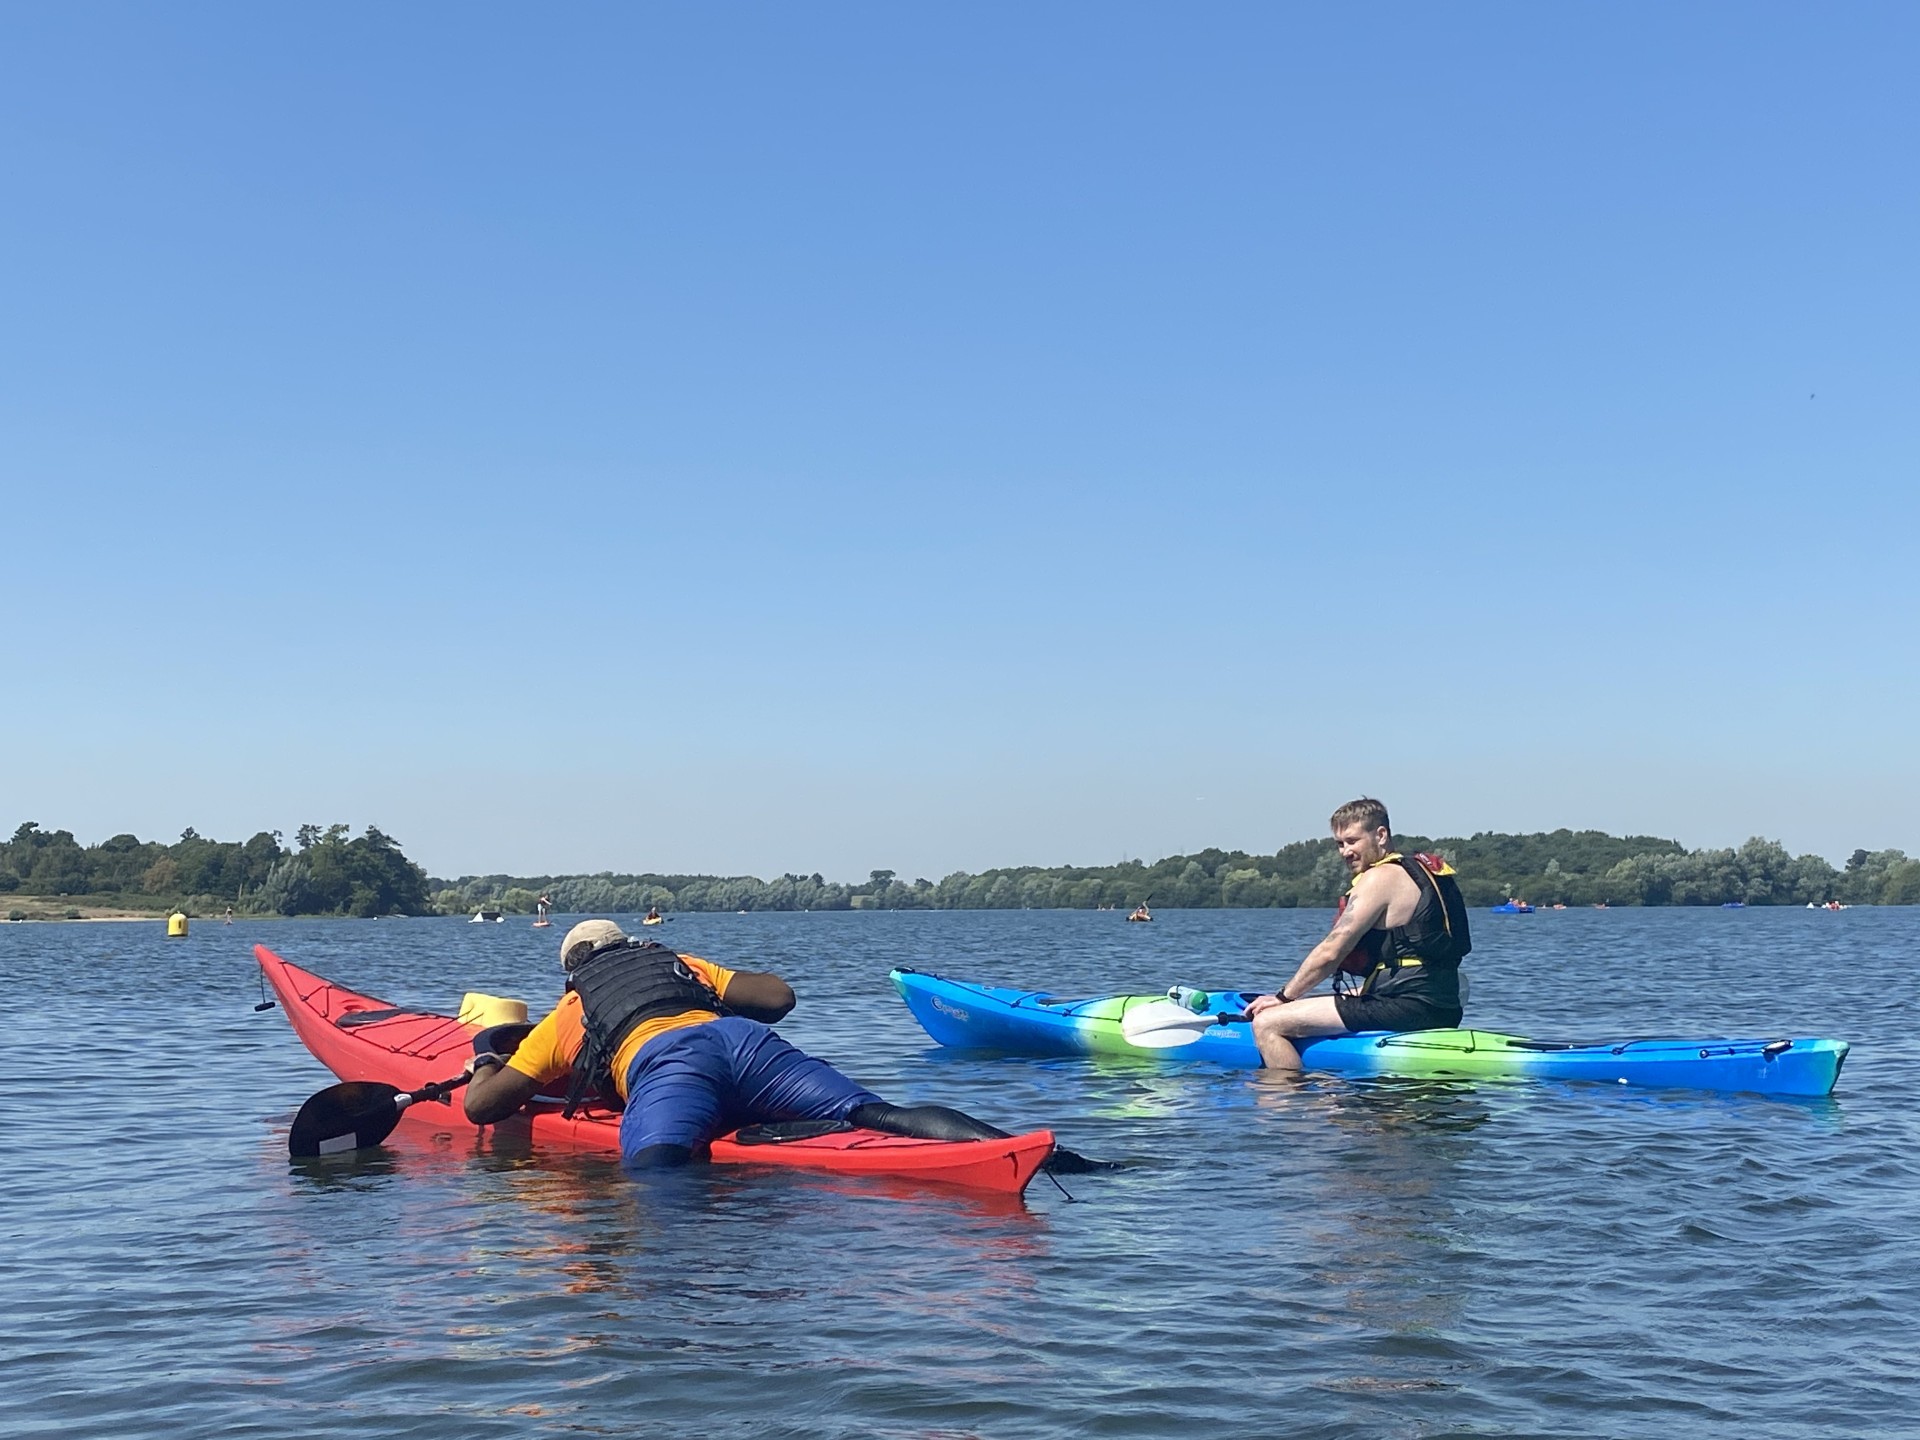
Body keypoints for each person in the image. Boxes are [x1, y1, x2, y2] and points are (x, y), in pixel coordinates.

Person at [464, 919, 1094, 1170]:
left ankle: (682, 1304)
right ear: (629, 945)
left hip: (669, 1068)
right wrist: (704, 983)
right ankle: (1046, 1157)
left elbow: (482, 1108)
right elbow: (777, 999)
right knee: (876, 1113)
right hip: (744, 1044)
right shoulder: (683, 965)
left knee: (654, 1172)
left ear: (572, 972)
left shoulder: (569, 1012)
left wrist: (486, 1060)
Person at [1247, 798, 1470, 1072]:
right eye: (1340, 844)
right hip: (1444, 1003)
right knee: (1322, 1001)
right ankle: (1330, 1085)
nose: (1345, 851)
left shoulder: (1380, 877)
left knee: (1267, 1023)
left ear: (1381, 835)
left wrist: (1282, 998)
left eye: (1352, 841)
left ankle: (1292, 1096)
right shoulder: (1422, 873)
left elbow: (1331, 952)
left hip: (1407, 1006)